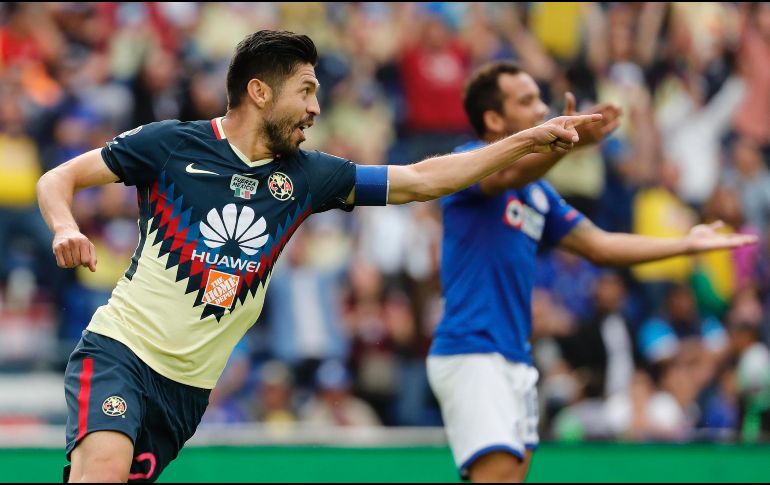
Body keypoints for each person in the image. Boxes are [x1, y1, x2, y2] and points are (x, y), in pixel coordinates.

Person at [36, 31, 601, 483]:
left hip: (186, 392)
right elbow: (59, 178)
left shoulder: (308, 176)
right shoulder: (171, 144)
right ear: (260, 92)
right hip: (121, 350)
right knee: (101, 472)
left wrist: (528, 140)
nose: (315, 107)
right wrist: (65, 226)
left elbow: (423, 179)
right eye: (305, 91)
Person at [426, 61, 758, 483]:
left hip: (513, 357)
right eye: (526, 100)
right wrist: (569, 144)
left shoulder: (538, 194)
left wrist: (685, 243)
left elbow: (599, 246)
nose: (540, 108)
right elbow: (505, 172)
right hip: (472, 351)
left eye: (540, 98)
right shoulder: (467, 162)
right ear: (493, 119)